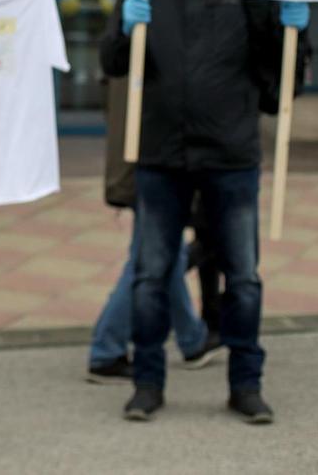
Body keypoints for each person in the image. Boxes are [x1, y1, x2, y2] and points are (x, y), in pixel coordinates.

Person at [100, 0, 309, 425]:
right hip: (159, 157)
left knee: (242, 278)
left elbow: (282, 83)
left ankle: (246, 384)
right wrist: (125, 29)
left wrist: (295, 35)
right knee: (150, 276)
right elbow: (112, 64)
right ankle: (147, 382)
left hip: (231, 157)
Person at [87, 75, 220, 383]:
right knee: (147, 259)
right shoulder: (151, 39)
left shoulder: (130, 39)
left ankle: (191, 339)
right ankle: (106, 349)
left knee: (161, 254)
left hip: (142, 162)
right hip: (152, 165)